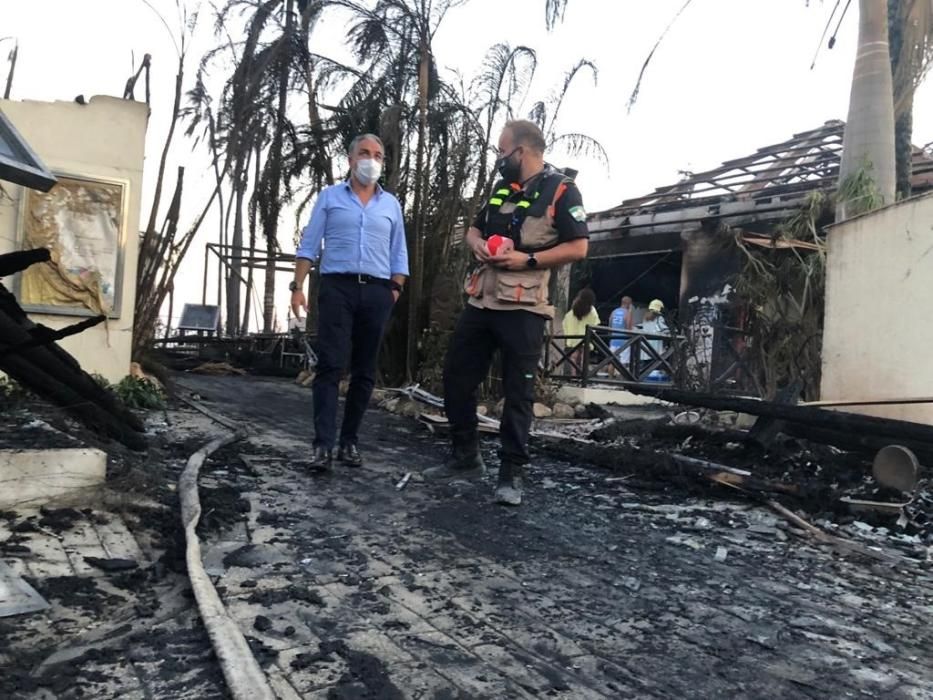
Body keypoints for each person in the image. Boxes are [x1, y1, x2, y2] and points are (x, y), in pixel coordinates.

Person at [424, 119, 589, 506]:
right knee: (456, 376)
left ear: (522, 151)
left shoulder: (562, 190)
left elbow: (579, 247)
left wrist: (529, 259)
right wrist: (477, 243)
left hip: (525, 307)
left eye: (502, 151)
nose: (499, 158)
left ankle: (511, 474)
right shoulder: (502, 189)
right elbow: (472, 229)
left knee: (518, 391)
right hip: (483, 300)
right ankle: (466, 455)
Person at [290, 134, 409, 470]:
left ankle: (349, 443)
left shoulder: (391, 205)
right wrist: (297, 286)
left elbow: (399, 250)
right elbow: (309, 244)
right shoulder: (330, 197)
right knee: (330, 364)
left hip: (376, 292)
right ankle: (323, 446)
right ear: (351, 159)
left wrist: (394, 288)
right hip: (336, 288)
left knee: (364, 370)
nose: (371, 160)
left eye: (378, 155)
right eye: (364, 153)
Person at [561, 288, 600, 377]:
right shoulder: (592, 310)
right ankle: (583, 376)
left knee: (573, 357)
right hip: (585, 337)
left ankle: (573, 375)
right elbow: (595, 323)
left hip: (573, 337)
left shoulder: (573, 310)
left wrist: (568, 335)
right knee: (584, 358)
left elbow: (565, 322)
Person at [638, 299, 670, 374]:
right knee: (656, 367)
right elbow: (664, 330)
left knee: (645, 368)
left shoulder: (645, 317)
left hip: (646, 347)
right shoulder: (659, 318)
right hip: (655, 348)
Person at [608, 296, 633, 376]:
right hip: (623, 341)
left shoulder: (613, 312)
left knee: (612, 361)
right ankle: (622, 382)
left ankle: (610, 379)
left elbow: (610, 326)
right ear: (629, 304)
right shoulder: (627, 313)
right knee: (623, 364)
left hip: (613, 340)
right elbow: (628, 329)